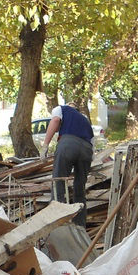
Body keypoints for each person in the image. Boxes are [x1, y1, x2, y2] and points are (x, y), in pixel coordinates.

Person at [41, 102, 94, 264]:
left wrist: (45, 145)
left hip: (68, 144)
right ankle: (79, 226)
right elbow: (92, 142)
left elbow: (55, 121)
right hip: (86, 149)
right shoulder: (85, 120)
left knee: (58, 181)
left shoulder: (61, 109)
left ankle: (57, 221)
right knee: (80, 188)